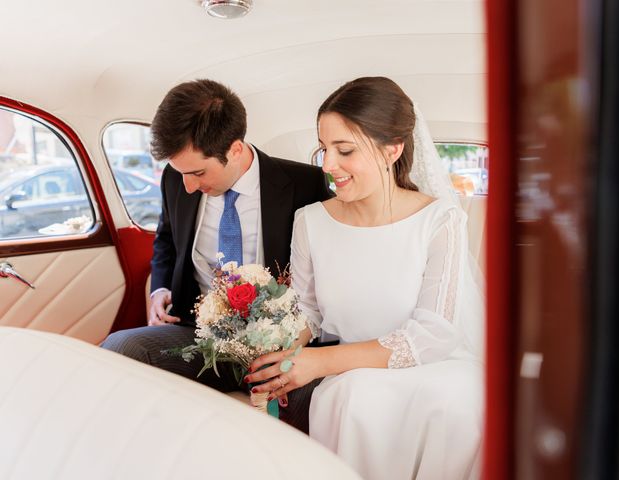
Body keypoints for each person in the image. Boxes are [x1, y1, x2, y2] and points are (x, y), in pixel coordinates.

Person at [243, 77, 484, 479]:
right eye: (324, 149)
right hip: (354, 376)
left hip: (435, 367)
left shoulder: (441, 220)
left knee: (458, 402)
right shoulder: (310, 221)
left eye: (344, 150)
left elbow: (434, 334)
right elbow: (307, 311)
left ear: (392, 149)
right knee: (359, 396)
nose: (327, 165)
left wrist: (318, 361)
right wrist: (280, 351)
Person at [102, 80, 333, 427]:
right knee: (120, 350)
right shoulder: (175, 178)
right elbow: (165, 240)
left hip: (281, 342)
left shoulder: (306, 184)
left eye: (198, 172)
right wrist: (159, 288)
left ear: (236, 149)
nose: (189, 187)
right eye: (182, 173)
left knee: (316, 402)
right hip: (197, 334)